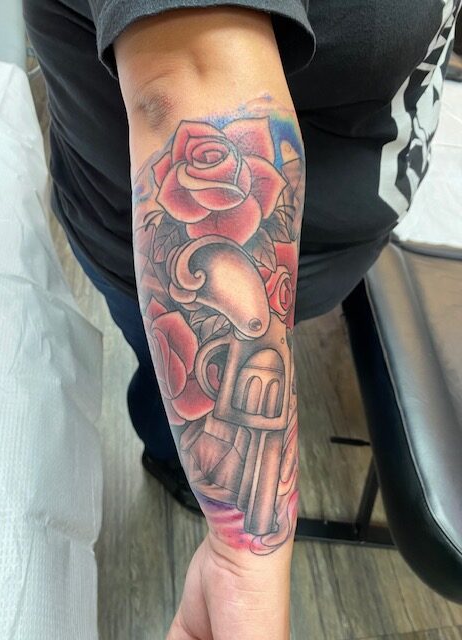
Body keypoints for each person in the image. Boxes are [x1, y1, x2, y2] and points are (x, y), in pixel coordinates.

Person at [23, 1, 461, 638]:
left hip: (315, 258)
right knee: (174, 384)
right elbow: (192, 84)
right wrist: (245, 553)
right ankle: (171, 461)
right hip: (160, 269)